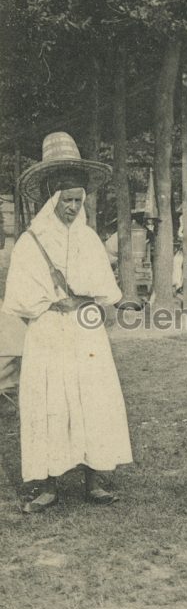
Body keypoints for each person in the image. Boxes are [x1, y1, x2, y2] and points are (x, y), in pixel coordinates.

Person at [2, 132, 136, 513]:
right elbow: (22, 301)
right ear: (51, 198)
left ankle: (94, 478)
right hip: (48, 330)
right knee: (50, 401)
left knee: (94, 398)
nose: (73, 207)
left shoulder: (90, 240)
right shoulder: (30, 242)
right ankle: (47, 484)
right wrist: (51, 309)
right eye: (67, 200)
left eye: (78, 200)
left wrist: (101, 307)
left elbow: (106, 294)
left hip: (85, 329)